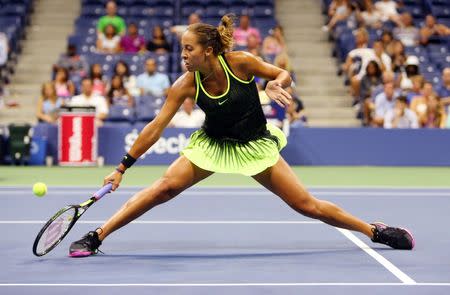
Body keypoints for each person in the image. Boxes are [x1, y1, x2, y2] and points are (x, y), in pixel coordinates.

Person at [69, 15, 415, 257]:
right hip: (214, 145)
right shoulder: (185, 85)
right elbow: (155, 127)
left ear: (207, 50)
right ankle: (97, 235)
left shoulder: (241, 63)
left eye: (188, 49)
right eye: (181, 50)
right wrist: (122, 167)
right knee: (163, 188)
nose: (183, 55)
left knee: (306, 205)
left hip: (254, 146)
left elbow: (281, 73)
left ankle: (375, 231)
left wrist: (277, 83)